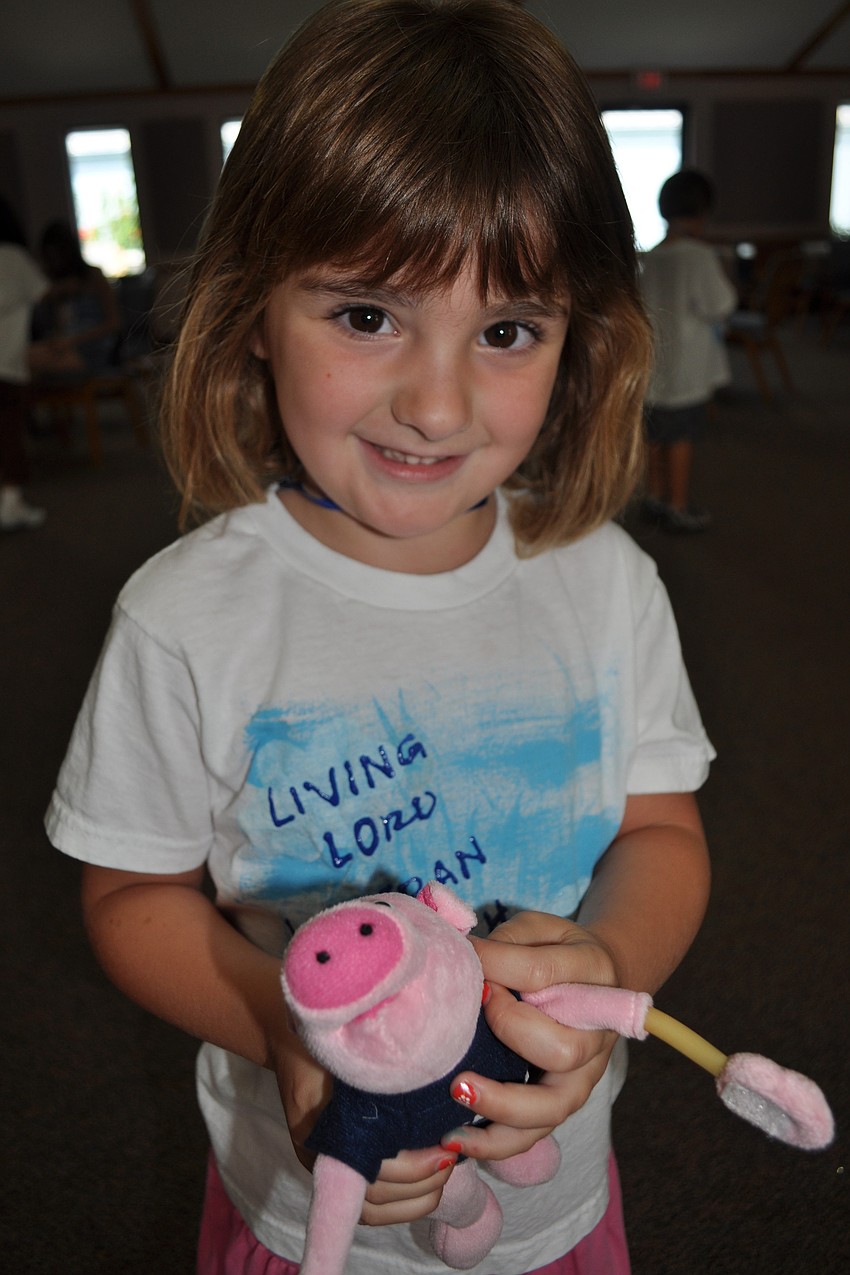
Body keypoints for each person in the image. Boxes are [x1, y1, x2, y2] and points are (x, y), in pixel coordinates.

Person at [45, 3, 714, 1272]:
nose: (437, 404)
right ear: (252, 310)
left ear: (577, 344)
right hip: (306, 1212)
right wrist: (278, 1026)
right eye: (366, 316)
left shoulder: (608, 585)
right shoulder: (184, 619)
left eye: (506, 331)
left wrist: (611, 961)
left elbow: (661, 834)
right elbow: (132, 895)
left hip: (555, 1199)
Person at [639, 169, 737, 532]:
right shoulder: (699, 256)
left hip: (653, 369)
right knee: (681, 437)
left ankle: (654, 496)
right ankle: (677, 505)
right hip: (687, 371)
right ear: (703, 213)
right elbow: (720, 304)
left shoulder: (651, 256)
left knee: (654, 436)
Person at [0, 196, 48, 530]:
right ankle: (10, 502)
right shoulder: (15, 258)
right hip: (6, 364)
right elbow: (44, 294)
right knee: (9, 433)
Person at [29, 219, 121, 378]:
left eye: (58, 253)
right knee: (28, 356)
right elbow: (58, 327)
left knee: (31, 360)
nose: (56, 261)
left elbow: (115, 324)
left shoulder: (94, 277)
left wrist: (73, 341)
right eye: (50, 256)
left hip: (96, 347)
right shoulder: (54, 288)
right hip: (67, 346)